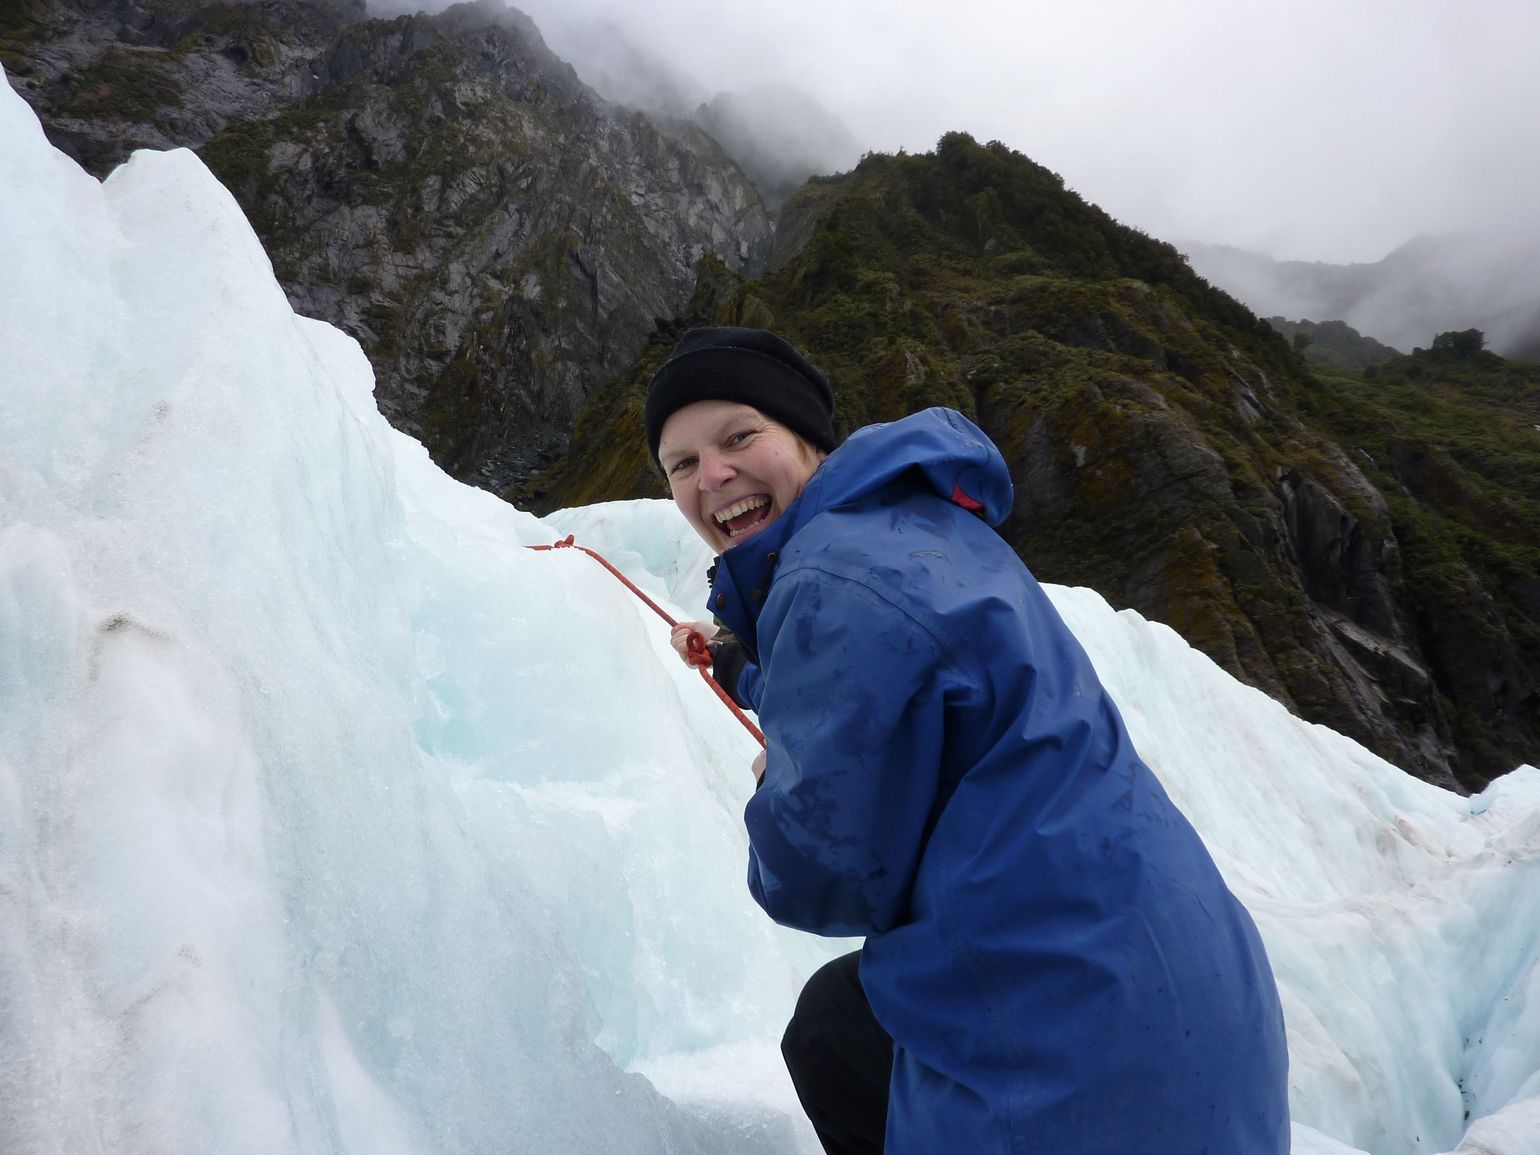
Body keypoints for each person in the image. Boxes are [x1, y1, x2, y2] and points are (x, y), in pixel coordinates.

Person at [645, 326, 1290, 1154]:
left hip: (1077, 1058)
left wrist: (780, 784)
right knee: (840, 1020)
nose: (715, 475)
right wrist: (742, 667)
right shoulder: (913, 528)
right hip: (1187, 993)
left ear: (806, 438)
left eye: (738, 437)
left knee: (833, 1033)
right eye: (683, 464)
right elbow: (896, 680)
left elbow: (823, 876)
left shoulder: (829, 582)